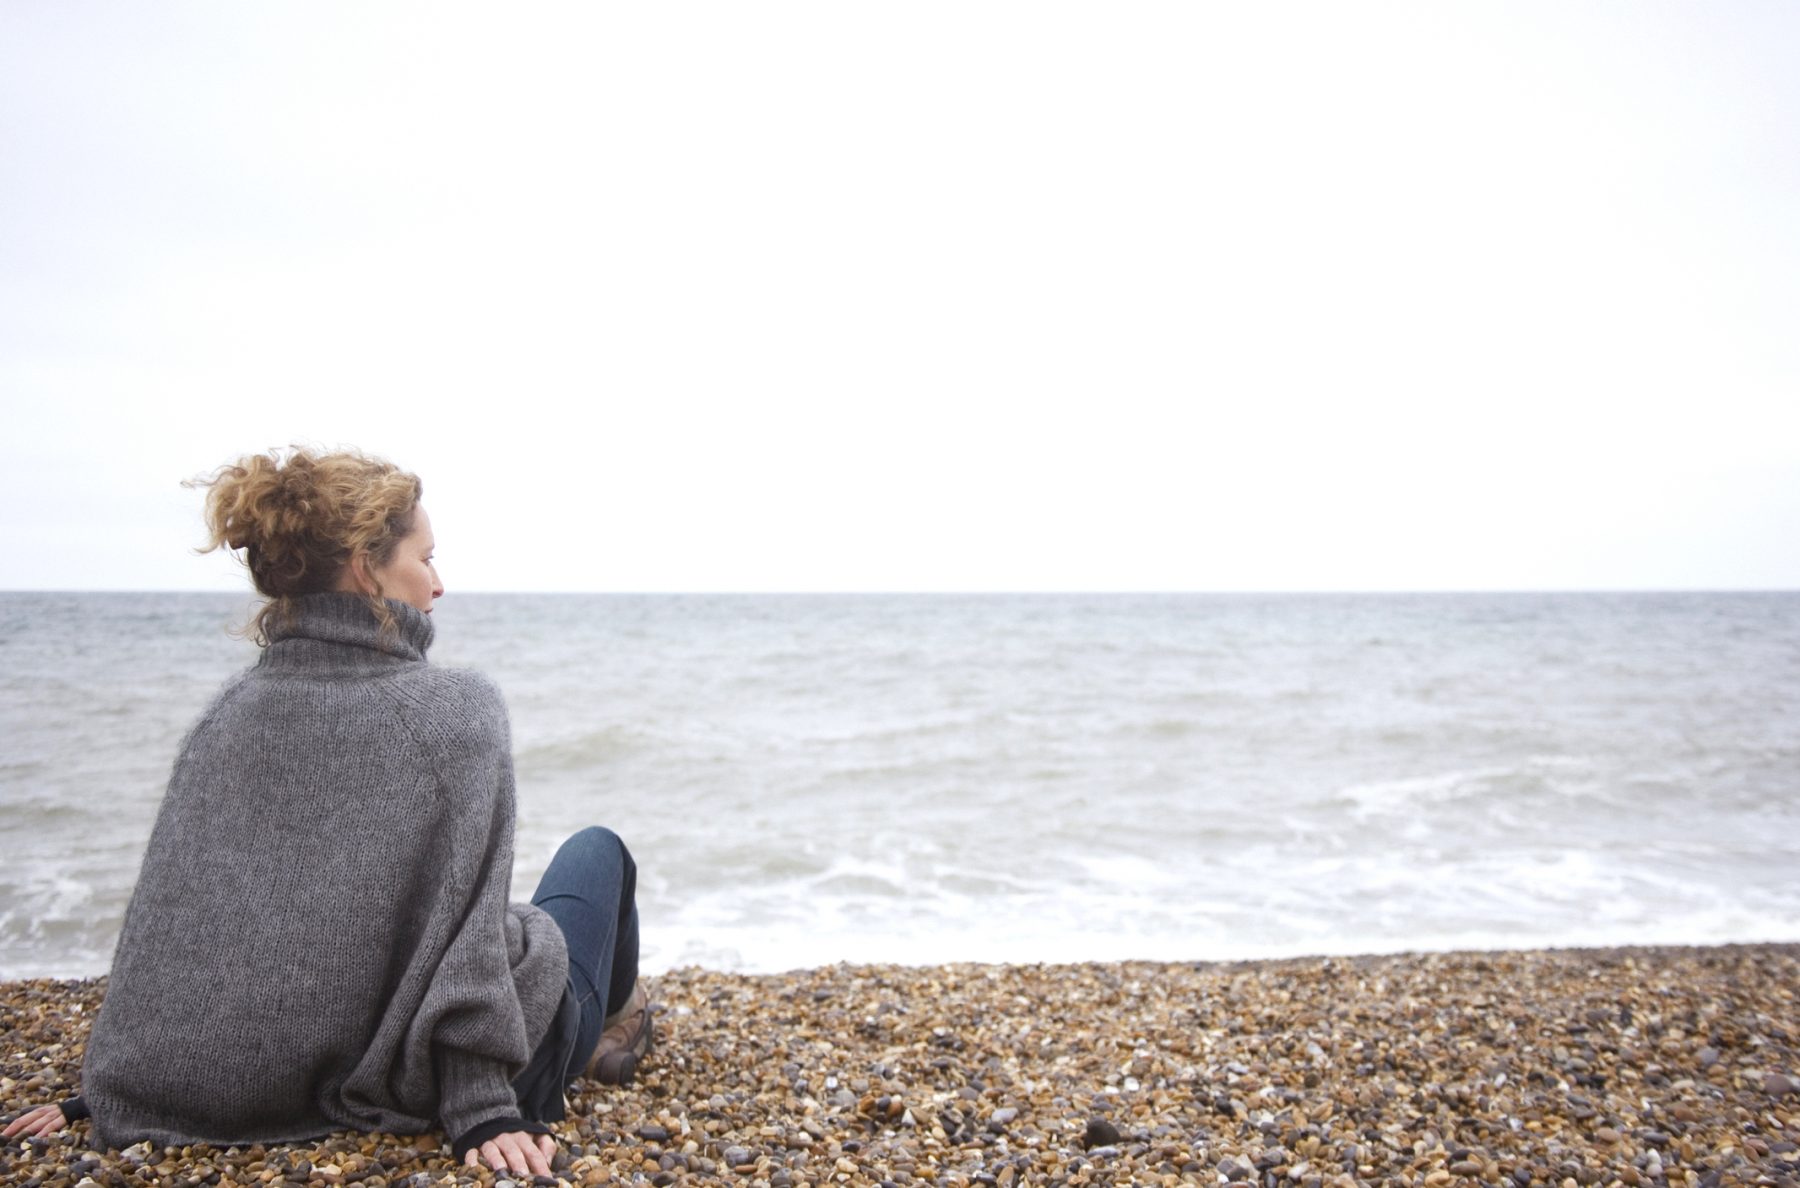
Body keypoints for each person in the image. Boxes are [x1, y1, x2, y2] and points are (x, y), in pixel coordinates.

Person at [1, 447, 650, 1179]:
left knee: (527, 915)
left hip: (254, 1078)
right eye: (426, 558)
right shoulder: (457, 714)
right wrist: (481, 1108)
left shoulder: (228, 715)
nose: (439, 583)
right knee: (598, 854)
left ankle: (615, 1019)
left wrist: (119, 1092)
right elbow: (468, 933)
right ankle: (617, 1022)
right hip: (469, 1073)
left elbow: (177, 929)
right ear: (367, 569)